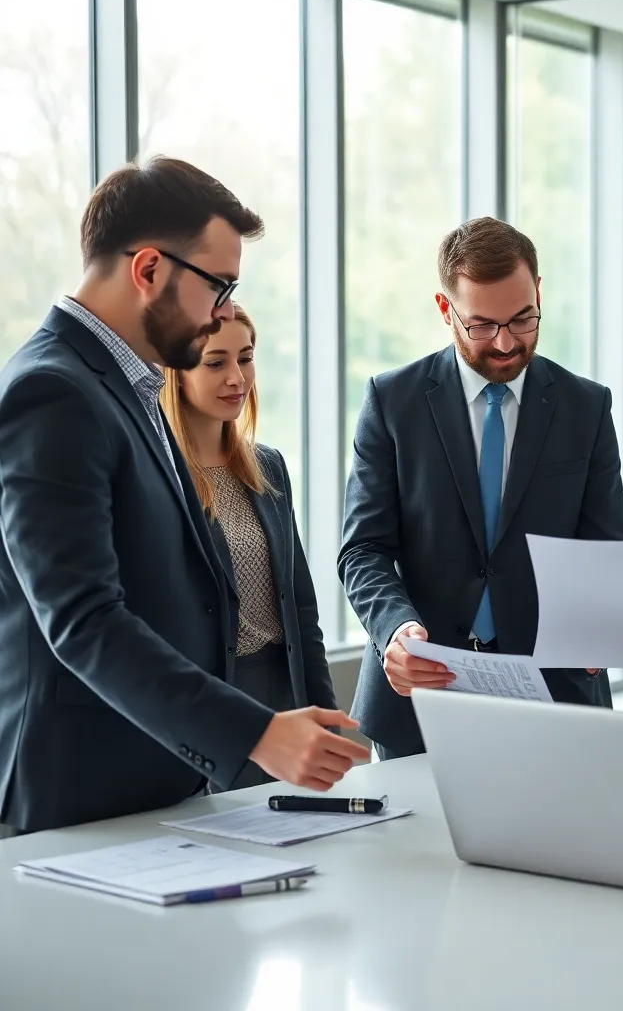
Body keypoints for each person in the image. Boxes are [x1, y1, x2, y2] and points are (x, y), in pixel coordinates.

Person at [0, 158, 365, 835]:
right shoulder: (54, 392)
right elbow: (83, 622)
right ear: (147, 270)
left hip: (155, 789)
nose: (223, 313)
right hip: (78, 798)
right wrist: (255, 734)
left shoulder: (128, 389)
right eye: (219, 286)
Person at [340, 216, 623, 759]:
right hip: (421, 694)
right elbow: (363, 549)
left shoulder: (586, 407)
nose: (505, 343)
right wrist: (396, 629)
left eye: (523, 319)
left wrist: (602, 622)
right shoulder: (392, 401)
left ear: (539, 291)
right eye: (482, 325)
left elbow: (605, 546)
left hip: (556, 692)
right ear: (445, 309)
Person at [161, 303, 340, 790]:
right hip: (214, 700)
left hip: (285, 695)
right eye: (215, 362)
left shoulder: (267, 466)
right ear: (176, 374)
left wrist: (326, 716)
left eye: (246, 357)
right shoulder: (160, 478)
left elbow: (301, 611)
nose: (237, 377)